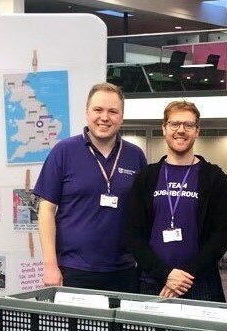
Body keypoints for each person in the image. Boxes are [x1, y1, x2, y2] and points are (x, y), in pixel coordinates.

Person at [33, 82, 147, 292]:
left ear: (121, 117)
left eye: (113, 111)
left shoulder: (135, 156)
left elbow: (145, 213)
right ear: (87, 113)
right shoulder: (64, 152)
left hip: (124, 271)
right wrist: (50, 265)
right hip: (73, 269)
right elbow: (46, 210)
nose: (105, 117)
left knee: (119, 327)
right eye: (98, 110)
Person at [125, 100, 227, 301]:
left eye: (188, 125)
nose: (181, 130)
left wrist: (184, 278)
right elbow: (133, 233)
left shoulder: (214, 178)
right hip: (152, 283)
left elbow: (221, 235)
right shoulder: (146, 177)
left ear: (197, 131)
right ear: (164, 129)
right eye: (174, 124)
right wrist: (166, 275)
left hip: (199, 283)